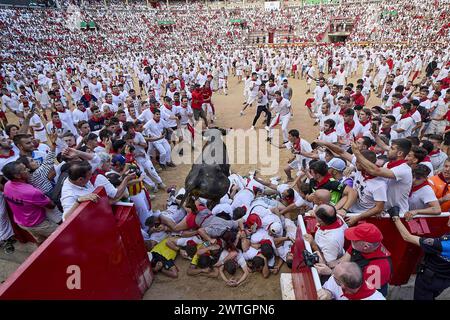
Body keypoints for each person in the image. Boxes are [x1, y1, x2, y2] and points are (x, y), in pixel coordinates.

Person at [389, 209, 450, 300]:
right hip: (445, 279)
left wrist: (395, 217)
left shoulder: (443, 244)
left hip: (429, 281)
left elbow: (407, 237)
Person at [2, 161, 58, 244]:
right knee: (62, 234)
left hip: (22, 223)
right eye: (24, 169)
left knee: (41, 241)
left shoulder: (7, 185)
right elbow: (51, 206)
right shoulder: (31, 192)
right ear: (17, 176)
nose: (28, 169)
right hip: (40, 224)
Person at [317, 262, 385, 300]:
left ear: (342, 285)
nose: (332, 276)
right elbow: (328, 289)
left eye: (334, 276)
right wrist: (328, 293)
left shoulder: (376, 298)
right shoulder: (336, 278)